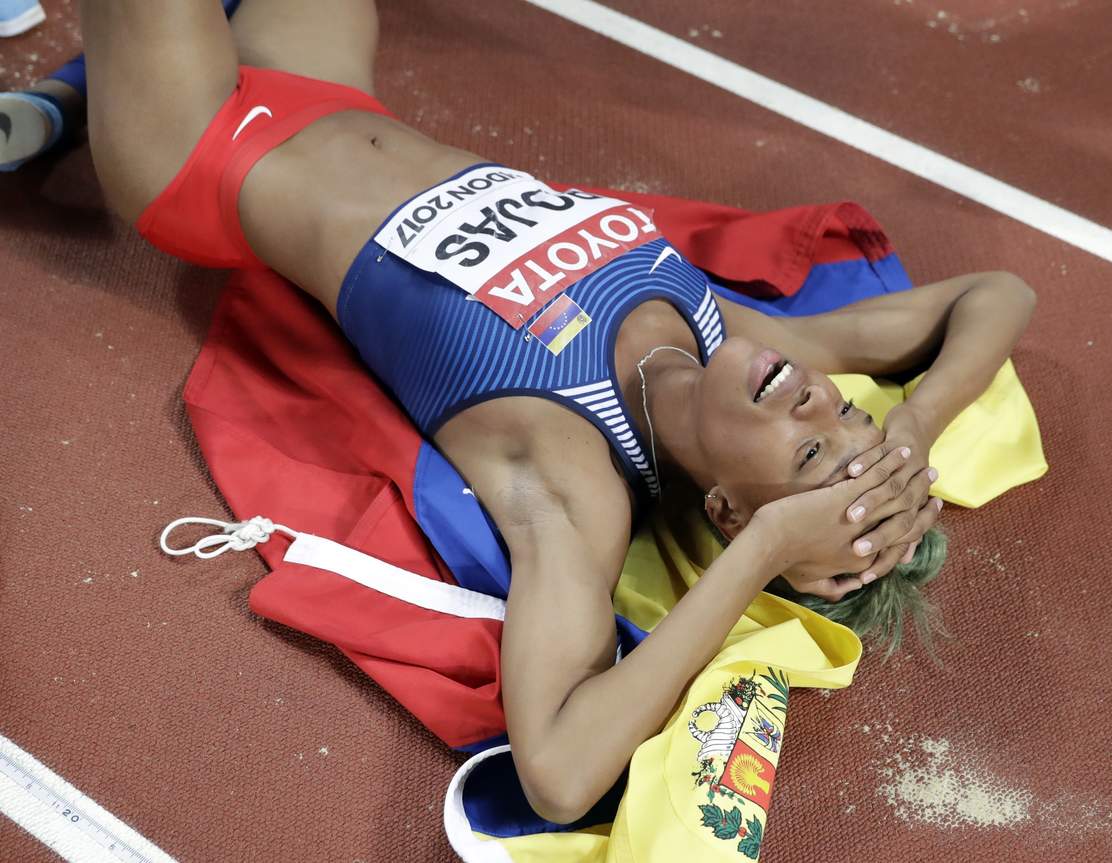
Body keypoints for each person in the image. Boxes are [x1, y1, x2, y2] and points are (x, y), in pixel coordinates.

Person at [26, 1, 1035, 824]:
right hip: (324, 85)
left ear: (729, 510)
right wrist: (912, 428)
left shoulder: (568, 474)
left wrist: (770, 549)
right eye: (850, 415)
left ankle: (87, 92)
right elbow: (996, 294)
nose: (819, 399)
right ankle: (75, 91)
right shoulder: (718, 325)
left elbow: (558, 774)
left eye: (810, 452)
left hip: (202, 147)